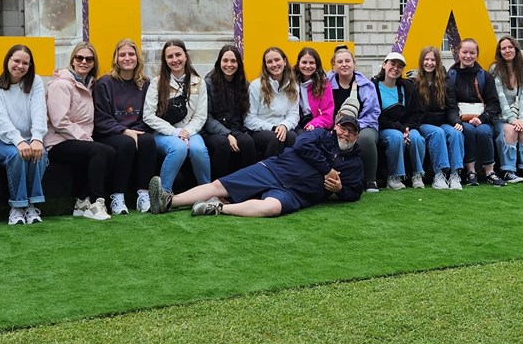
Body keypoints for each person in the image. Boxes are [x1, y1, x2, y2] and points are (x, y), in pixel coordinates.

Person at [147, 115, 365, 218]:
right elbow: (301, 143)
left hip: (298, 194)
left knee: (272, 208)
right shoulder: (320, 135)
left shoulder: (354, 162)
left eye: (351, 131)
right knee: (219, 185)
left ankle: (218, 208)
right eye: (343, 128)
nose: (345, 133)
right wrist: (327, 169)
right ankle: (168, 201)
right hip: (274, 169)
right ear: (335, 126)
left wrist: (340, 190)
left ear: (357, 136)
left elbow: (354, 192)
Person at [45, 42, 118, 220]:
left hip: (79, 140)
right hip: (57, 142)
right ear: (73, 60)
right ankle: (94, 202)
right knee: (100, 151)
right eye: (80, 57)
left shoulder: (90, 84)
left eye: (89, 59)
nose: (84, 61)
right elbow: (59, 121)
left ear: (94, 63)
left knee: (110, 151)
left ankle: (82, 203)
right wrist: (84, 138)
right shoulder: (61, 85)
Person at [0, 44, 49, 224]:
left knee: (39, 154)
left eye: (25, 63)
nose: (20, 66)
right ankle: (17, 206)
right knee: (16, 155)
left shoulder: (35, 82)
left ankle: (31, 206)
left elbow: (39, 111)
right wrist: (18, 141)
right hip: (0, 140)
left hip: (29, 138)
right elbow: (0, 120)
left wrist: (37, 138)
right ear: (8, 61)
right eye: (16, 61)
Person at [92, 38, 158, 215]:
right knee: (126, 143)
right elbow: (101, 118)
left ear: (137, 58)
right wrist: (125, 131)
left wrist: (135, 130)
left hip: (138, 129)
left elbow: (149, 114)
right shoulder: (104, 83)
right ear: (116, 58)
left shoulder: (145, 83)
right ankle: (117, 196)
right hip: (110, 132)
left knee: (149, 142)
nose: (127, 58)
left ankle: (143, 194)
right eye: (122, 55)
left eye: (131, 54)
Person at [142, 39, 212, 192]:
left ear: (186, 56)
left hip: (191, 132)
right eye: (170, 57)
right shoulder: (157, 83)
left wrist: (186, 132)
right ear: (165, 60)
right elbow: (148, 115)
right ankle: (163, 193)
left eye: (178, 55)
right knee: (178, 148)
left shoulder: (199, 83)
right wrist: (175, 132)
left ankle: (207, 192)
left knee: (199, 150)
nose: (175, 60)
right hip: (163, 133)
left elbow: (200, 116)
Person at [447, 38, 503, 187]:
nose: (468, 56)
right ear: (458, 53)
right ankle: (471, 171)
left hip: (482, 118)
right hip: (461, 119)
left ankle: (490, 171)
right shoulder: (451, 76)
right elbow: (450, 105)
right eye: (464, 52)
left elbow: (494, 104)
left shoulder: (485, 76)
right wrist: (456, 121)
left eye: (472, 52)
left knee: (484, 131)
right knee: (469, 131)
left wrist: (482, 118)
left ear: (477, 54)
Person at [327, 46, 381, 191]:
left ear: (353, 63)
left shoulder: (367, 86)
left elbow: (373, 113)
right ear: (334, 65)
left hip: (364, 125)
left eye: (347, 61)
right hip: (333, 125)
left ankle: (370, 180)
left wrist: (353, 127)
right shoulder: (326, 84)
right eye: (339, 62)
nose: (344, 64)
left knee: (364, 138)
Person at [410, 46, 463, 190]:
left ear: (438, 62)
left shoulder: (446, 82)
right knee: (437, 133)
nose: (429, 63)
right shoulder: (414, 83)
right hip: (423, 123)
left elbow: (451, 107)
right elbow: (414, 111)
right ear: (421, 62)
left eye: (433, 59)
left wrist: (456, 121)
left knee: (456, 133)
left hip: (443, 121)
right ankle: (439, 174)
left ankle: (455, 174)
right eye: (426, 59)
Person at [203, 44, 257, 179]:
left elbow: (245, 114)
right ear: (219, 62)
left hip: (236, 129)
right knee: (222, 144)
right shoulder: (208, 83)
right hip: (212, 131)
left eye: (233, 61)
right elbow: (206, 117)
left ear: (238, 63)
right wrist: (227, 134)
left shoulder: (244, 84)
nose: (229, 65)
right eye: (225, 60)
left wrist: (239, 132)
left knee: (247, 142)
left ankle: (248, 184)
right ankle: (217, 186)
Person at [373, 51, 426, 189]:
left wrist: (407, 129)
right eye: (392, 64)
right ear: (384, 65)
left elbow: (417, 112)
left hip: (407, 128)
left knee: (417, 138)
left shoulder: (408, 86)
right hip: (385, 128)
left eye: (400, 66)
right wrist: (400, 129)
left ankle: (417, 174)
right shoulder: (373, 86)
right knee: (396, 137)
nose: (395, 68)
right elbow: (376, 116)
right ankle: (394, 177)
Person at [489, 35, 523, 184]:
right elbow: (500, 98)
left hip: (518, 115)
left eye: (510, 47)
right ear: (499, 52)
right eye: (503, 48)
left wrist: (522, 120)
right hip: (499, 116)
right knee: (511, 130)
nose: (507, 50)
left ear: (516, 49)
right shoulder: (495, 71)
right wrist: (512, 119)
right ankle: (508, 171)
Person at [245, 46, 299, 160]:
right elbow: (249, 118)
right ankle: (268, 172)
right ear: (265, 66)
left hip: (283, 127)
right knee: (276, 139)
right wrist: (274, 128)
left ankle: (291, 172)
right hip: (261, 130)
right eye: (269, 62)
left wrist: (284, 125)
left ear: (284, 61)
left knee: (293, 137)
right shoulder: (256, 86)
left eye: (277, 60)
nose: (274, 64)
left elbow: (293, 114)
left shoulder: (293, 86)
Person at [294, 47, 333, 131]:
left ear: (317, 65)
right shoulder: (291, 83)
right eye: (304, 62)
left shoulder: (324, 85)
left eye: (311, 63)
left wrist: (314, 124)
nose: (308, 66)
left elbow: (327, 114)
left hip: (316, 124)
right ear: (298, 64)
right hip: (296, 123)